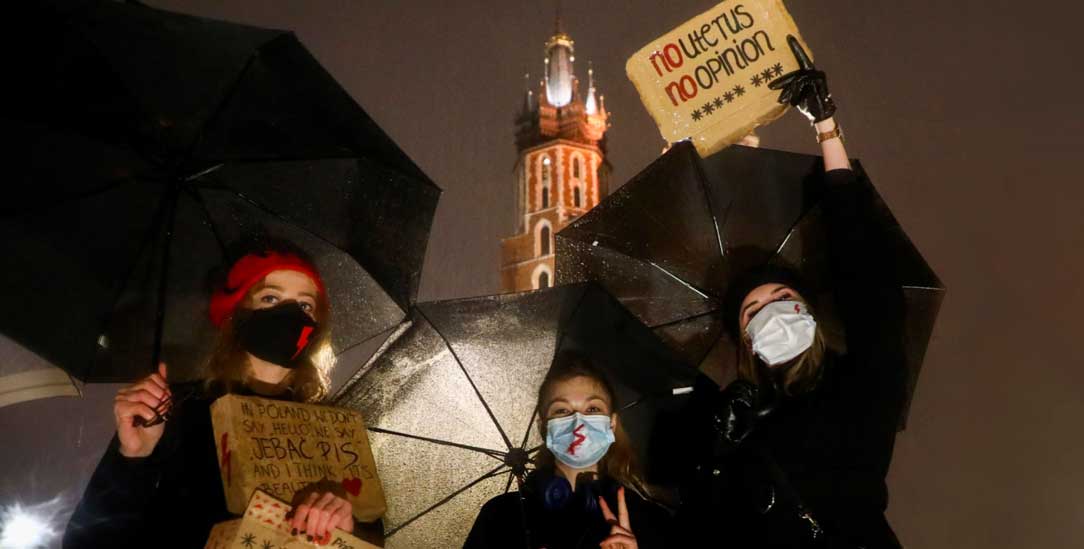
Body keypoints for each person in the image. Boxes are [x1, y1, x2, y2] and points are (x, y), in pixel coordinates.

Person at [677, 37, 907, 548]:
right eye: (753, 311)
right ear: (746, 341)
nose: (772, 312)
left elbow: (866, 280)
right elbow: (708, 528)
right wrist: (718, 453)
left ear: (811, 312)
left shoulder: (861, 382)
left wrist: (827, 131)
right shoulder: (738, 418)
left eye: (782, 299)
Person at [64, 240, 367, 548]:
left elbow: (366, 534)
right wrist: (133, 458)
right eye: (270, 297)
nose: (290, 314)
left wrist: (344, 530)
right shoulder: (174, 409)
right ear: (236, 314)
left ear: (317, 324)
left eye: (305, 305)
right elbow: (85, 542)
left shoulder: (333, 434)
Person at [464, 351, 672, 549]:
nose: (577, 423)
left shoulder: (651, 521)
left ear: (612, 424)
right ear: (543, 427)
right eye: (562, 410)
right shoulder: (501, 516)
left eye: (592, 409)